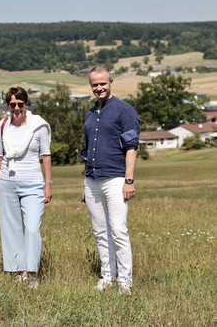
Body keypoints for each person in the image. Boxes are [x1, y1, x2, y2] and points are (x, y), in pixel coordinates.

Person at [80, 66, 140, 296]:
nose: (99, 88)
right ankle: (107, 276)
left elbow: (131, 147)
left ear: (111, 82)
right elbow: (86, 151)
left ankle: (125, 281)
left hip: (116, 178)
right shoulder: (90, 114)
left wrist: (129, 180)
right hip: (92, 180)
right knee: (99, 231)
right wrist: (85, 182)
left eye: (102, 83)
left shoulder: (125, 111)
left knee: (118, 230)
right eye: (95, 84)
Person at [0, 87, 52, 288]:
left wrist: (48, 184)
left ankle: (32, 272)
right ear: (8, 105)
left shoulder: (39, 126)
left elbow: (46, 156)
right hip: (6, 182)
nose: (16, 108)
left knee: (32, 228)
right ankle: (20, 271)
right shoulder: (2, 126)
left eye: (20, 104)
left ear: (26, 104)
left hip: (33, 183)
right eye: (12, 104)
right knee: (12, 230)